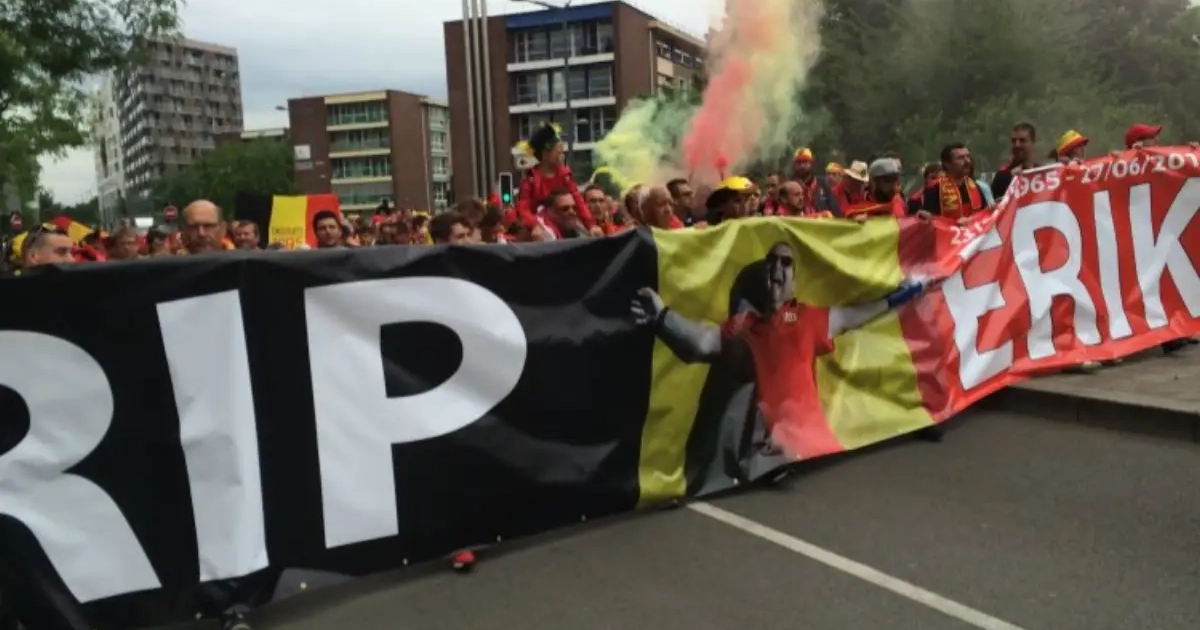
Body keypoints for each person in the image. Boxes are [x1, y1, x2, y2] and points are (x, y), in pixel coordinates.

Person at [629, 241, 937, 461]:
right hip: (768, 455)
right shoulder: (745, 325)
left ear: (794, 283)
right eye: (771, 261)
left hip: (812, 446)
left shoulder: (807, 317)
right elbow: (702, 342)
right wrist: (662, 317)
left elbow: (858, 314)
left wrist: (903, 295)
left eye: (786, 262)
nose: (777, 267)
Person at [514, 123, 602, 236]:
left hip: (565, 224)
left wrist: (591, 225)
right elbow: (523, 209)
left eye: (562, 153)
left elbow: (578, 201)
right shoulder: (530, 181)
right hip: (540, 229)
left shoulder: (565, 176)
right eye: (558, 153)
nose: (562, 156)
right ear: (545, 155)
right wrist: (534, 225)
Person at [920, 143, 988, 222]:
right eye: (960, 158)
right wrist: (955, 223)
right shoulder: (935, 188)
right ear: (947, 164)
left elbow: (983, 214)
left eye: (968, 156)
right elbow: (929, 220)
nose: (967, 161)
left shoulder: (975, 186)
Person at [989, 122, 1039, 199]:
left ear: (1033, 142)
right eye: (1014, 141)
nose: (1017, 145)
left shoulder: (1043, 174)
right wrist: (1011, 182)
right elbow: (995, 204)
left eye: (1022, 140)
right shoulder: (1002, 177)